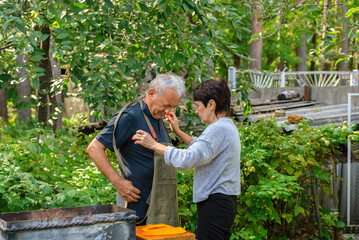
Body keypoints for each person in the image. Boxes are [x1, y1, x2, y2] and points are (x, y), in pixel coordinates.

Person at [132, 78, 241, 240]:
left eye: (198, 106)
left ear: (211, 104)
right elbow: (202, 149)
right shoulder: (227, 127)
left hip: (216, 203)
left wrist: (154, 145)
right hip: (222, 203)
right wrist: (177, 131)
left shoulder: (217, 129)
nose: (196, 111)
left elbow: (189, 158)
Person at [87, 74, 185, 226]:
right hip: (137, 210)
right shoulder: (130, 115)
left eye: (172, 106)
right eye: (166, 105)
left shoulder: (158, 116)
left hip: (161, 206)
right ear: (151, 94)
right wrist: (118, 182)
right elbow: (94, 148)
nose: (168, 111)